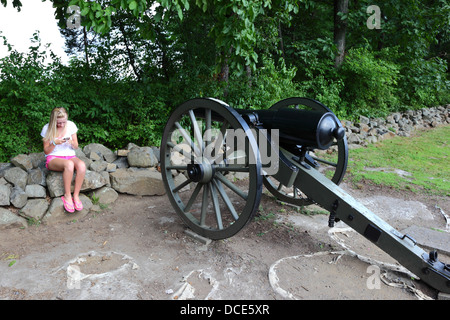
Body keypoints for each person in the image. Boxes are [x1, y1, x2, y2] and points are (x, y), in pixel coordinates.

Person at [41, 107, 86, 213]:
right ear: (53, 120)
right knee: (69, 165)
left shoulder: (71, 125)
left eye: (63, 122)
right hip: (54, 158)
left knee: (82, 165)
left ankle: (76, 195)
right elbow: (46, 151)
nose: (61, 125)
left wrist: (71, 142)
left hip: (70, 155)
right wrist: (54, 143)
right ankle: (67, 195)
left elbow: (76, 146)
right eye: (58, 123)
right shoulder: (47, 128)